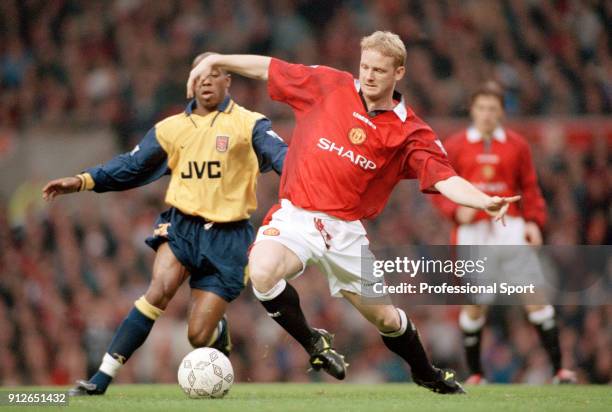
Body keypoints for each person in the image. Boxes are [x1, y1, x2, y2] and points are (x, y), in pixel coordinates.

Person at [187, 31, 520, 394]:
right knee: (262, 273)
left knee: (386, 319)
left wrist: (481, 199)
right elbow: (270, 68)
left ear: (399, 72)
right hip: (295, 215)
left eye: (379, 69)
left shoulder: (411, 132)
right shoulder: (330, 85)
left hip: (345, 232)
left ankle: (425, 372)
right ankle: (314, 344)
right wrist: (218, 59)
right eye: (365, 66)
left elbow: (444, 179)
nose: (370, 75)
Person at [42, 53, 287, 395]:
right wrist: (82, 180)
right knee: (159, 290)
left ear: (227, 80)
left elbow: (283, 157)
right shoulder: (171, 129)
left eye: (213, 73)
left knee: (197, 335)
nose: (204, 79)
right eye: (198, 74)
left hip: (228, 239)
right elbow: (130, 166)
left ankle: (218, 330)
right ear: (190, 81)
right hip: (181, 227)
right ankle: (101, 378)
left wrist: (300, 177)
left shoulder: (250, 124)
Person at [430, 81, 576, 384]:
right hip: (472, 233)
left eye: (492, 109)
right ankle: (475, 374)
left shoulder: (517, 145)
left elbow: (530, 187)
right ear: (472, 109)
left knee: (534, 296)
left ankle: (560, 370)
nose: (486, 114)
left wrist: (534, 221)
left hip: (510, 229)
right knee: (474, 305)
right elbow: (437, 187)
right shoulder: (456, 145)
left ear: (501, 113)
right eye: (481, 108)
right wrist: (455, 211)